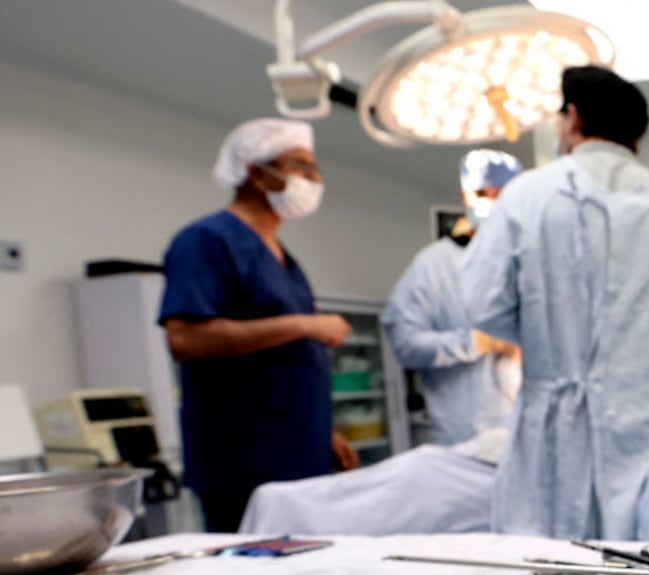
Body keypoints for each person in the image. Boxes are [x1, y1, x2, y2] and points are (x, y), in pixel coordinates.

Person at [460, 66, 649, 538]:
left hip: (549, 428)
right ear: (638, 137)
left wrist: (547, 342)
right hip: (641, 428)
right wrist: (644, 378)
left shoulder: (527, 196)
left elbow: (481, 301)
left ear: (573, 118)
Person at [158, 118, 356, 533]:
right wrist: (306, 324)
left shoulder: (282, 255)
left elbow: (287, 363)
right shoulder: (207, 240)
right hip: (244, 462)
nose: (312, 178)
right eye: (300, 165)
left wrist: (324, 432)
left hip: (301, 452)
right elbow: (186, 338)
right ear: (255, 172)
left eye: (314, 169)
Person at [381, 149, 524, 445]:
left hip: (526, 428)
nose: (494, 201)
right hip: (464, 434)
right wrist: (474, 342)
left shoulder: (527, 260)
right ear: (465, 196)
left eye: (504, 193)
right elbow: (405, 343)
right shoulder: (434, 264)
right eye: (484, 193)